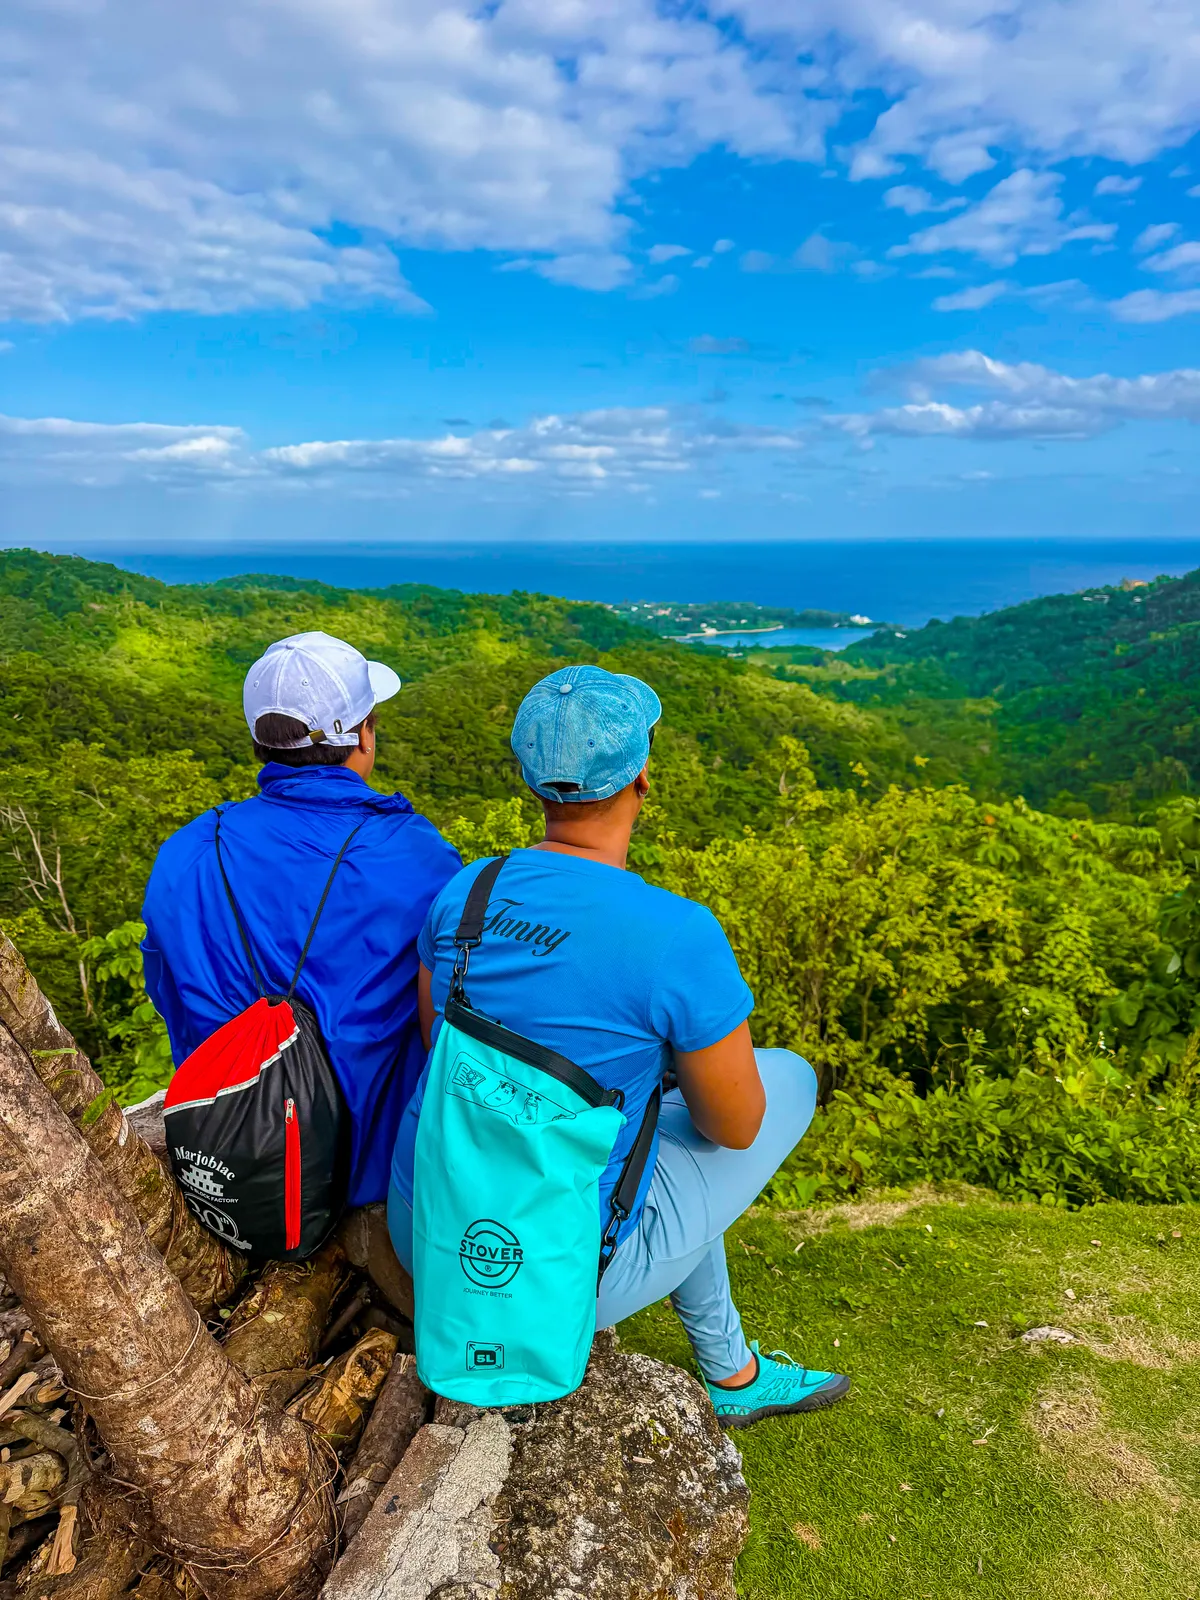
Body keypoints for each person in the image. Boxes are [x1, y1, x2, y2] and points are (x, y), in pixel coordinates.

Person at [389, 663, 848, 1426]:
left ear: (529, 777)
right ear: (641, 775)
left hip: (427, 1222)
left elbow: (441, 1039)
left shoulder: (464, 895)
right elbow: (732, 1131)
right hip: (552, 1272)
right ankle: (733, 1378)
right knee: (785, 1079)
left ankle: (732, 1370)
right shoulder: (677, 935)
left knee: (640, 1132)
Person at [142, 630, 461, 1209]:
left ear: (262, 741)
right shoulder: (418, 858)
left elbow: (171, 1000)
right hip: (373, 1170)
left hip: (231, 1161)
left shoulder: (186, 854)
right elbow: (442, 1019)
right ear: (362, 737)